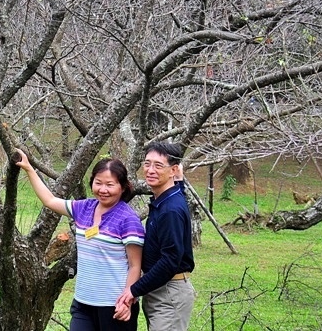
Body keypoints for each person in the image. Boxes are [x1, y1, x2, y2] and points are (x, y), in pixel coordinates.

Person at [16, 149, 145, 331]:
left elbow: (135, 266)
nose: (103, 189)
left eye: (110, 184)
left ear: (123, 187)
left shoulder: (128, 220)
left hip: (114, 305)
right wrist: (29, 169)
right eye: (98, 183)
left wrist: (127, 299)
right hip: (83, 302)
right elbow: (50, 201)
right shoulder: (84, 208)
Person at [116, 142, 195, 331]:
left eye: (158, 166)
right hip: (160, 289)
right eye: (147, 164)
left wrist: (134, 290)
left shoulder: (171, 210)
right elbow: (179, 190)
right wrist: (179, 180)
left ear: (173, 170)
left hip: (170, 292)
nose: (150, 170)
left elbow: (170, 260)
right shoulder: (169, 196)